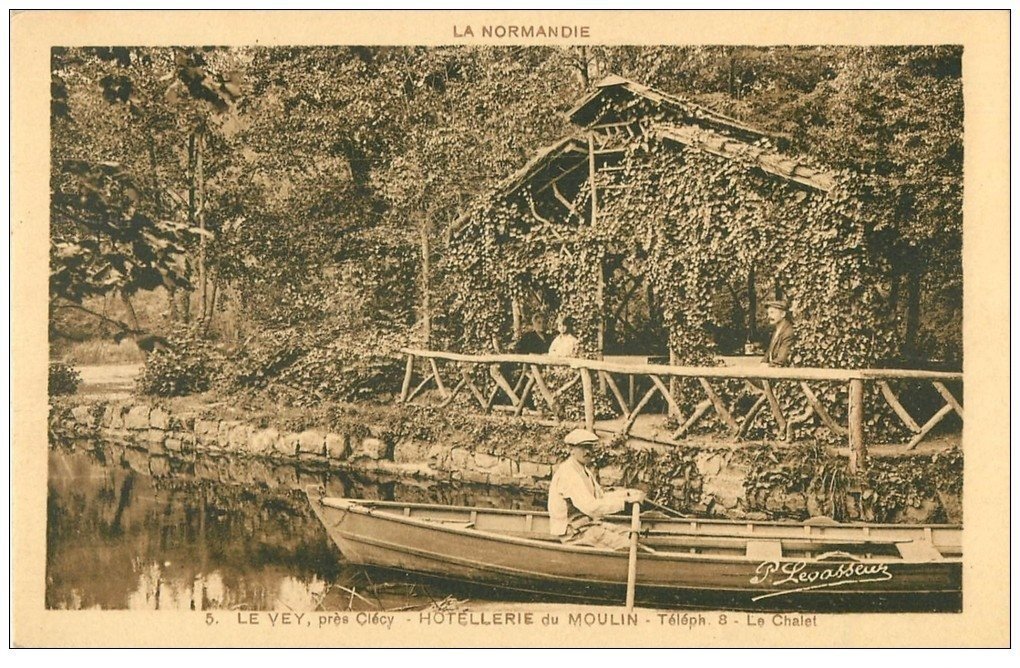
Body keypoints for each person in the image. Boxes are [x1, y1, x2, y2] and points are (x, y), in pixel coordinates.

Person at [547, 428, 645, 550]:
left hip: (588, 526)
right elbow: (592, 508)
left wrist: (628, 494)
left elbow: (601, 496)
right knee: (630, 547)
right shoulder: (568, 474)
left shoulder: (583, 470)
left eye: (590, 447)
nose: (588, 451)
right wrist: (624, 503)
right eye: (583, 447)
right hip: (575, 534)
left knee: (630, 534)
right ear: (571, 449)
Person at [762, 298, 795, 366]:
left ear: (783, 314)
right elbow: (769, 351)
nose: (769, 316)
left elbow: (782, 358)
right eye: (768, 313)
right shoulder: (776, 330)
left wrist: (767, 366)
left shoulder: (788, 332)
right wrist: (763, 362)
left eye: (772, 312)